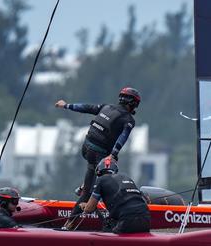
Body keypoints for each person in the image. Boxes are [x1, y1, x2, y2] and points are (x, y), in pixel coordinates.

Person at [55, 87, 141, 224]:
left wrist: (66, 105)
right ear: (134, 104)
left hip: (85, 149)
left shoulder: (106, 107)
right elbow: (122, 138)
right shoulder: (128, 119)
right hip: (98, 155)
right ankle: (69, 224)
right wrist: (113, 155)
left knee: (97, 177)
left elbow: (87, 108)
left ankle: (86, 185)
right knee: (93, 192)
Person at [79, 156, 151, 234]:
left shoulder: (100, 180)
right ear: (115, 170)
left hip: (127, 220)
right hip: (146, 220)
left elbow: (89, 209)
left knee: (108, 232)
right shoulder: (126, 177)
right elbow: (146, 200)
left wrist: (84, 206)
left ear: (99, 172)